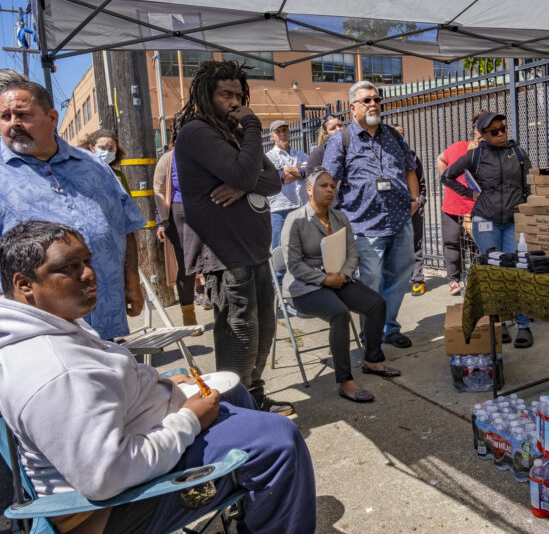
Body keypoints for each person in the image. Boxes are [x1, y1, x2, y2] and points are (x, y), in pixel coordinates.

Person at [0, 220, 316, 534]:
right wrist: (189, 421)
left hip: (129, 445)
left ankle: (255, 512)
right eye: (68, 267)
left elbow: (98, 390)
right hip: (111, 511)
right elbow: (107, 476)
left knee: (233, 395)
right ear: (24, 284)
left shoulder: (51, 321)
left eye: (86, 261)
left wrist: (157, 384)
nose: (88, 273)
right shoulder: (56, 371)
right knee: (278, 440)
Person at [173, 60, 292, 415]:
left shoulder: (236, 134)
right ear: (207, 96)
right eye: (226, 95)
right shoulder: (198, 132)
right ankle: (233, 410)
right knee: (239, 334)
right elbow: (244, 172)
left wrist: (241, 185)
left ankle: (253, 397)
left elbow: (272, 181)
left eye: (239, 95)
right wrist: (254, 126)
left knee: (263, 331)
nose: (235, 103)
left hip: (252, 250)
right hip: (224, 253)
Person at [0, 80, 145, 340]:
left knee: (107, 376)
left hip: (103, 310)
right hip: (41, 327)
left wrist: (131, 279)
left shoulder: (94, 166)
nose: (13, 123)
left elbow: (124, 225)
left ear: (52, 117)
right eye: (4, 116)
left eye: (23, 115)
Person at [282, 168, 401, 402]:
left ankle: (372, 360)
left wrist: (343, 275)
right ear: (309, 190)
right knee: (339, 313)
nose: (329, 190)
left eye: (332, 186)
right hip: (304, 286)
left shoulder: (340, 217)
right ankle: (345, 381)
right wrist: (324, 279)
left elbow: (352, 253)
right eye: (323, 186)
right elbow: (293, 265)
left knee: (375, 303)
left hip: (338, 279)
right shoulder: (295, 220)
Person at [323, 81, 420, 349]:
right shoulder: (340, 140)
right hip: (363, 224)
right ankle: (371, 334)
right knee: (371, 282)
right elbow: (328, 181)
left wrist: (415, 199)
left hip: (400, 220)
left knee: (400, 277)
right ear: (352, 107)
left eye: (376, 99)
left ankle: (389, 328)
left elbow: (410, 169)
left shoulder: (394, 135)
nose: (373, 104)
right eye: (366, 100)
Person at [441, 112, 534, 348]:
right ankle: (498, 323)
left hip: (514, 219)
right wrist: (469, 194)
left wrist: (528, 208)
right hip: (486, 220)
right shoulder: (475, 156)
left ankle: (523, 325)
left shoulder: (519, 154)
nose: (501, 134)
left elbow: (530, 183)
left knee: (516, 269)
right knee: (493, 271)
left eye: (503, 128)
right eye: (494, 131)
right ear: (482, 135)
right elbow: (447, 176)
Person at [436, 110, 485, 296]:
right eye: (479, 131)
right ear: (474, 131)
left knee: (477, 244)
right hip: (453, 204)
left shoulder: (490, 153)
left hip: (477, 207)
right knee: (452, 241)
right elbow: (440, 158)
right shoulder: (459, 147)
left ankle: (474, 279)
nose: (482, 136)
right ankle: (454, 280)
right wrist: (445, 178)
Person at [153, 130, 198, 328]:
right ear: (174, 141)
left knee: (212, 264)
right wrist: (162, 220)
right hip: (178, 215)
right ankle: (189, 315)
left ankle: (219, 308)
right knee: (187, 266)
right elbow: (159, 191)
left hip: (203, 213)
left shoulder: (203, 157)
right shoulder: (167, 160)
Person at [392, 124, 428, 296]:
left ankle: (418, 280)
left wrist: (419, 202)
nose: (401, 138)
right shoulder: (383, 157)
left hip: (412, 209)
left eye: (403, 134)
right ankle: (396, 281)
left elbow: (421, 182)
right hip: (391, 211)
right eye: (397, 134)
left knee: (416, 244)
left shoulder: (412, 156)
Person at [266, 120, 308, 249]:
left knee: (303, 249)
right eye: (278, 131)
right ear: (272, 136)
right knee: (280, 250)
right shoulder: (269, 157)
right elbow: (280, 178)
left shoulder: (300, 154)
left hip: (302, 207)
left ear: (289, 133)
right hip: (279, 210)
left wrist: (288, 170)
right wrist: (298, 172)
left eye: (284, 130)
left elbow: (307, 172)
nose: (282, 133)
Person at [87, 128, 131, 193]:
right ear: (92, 148)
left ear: (116, 149)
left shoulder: (119, 175)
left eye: (111, 149)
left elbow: (127, 201)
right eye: (102, 148)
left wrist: (119, 190)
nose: (107, 152)